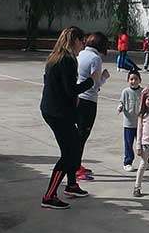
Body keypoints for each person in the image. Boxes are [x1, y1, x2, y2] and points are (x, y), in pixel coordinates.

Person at [40, 26, 95, 209]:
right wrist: (92, 80)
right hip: (59, 113)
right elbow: (71, 90)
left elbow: (51, 82)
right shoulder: (68, 60)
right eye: (82, 42)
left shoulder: (55, 57)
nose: (83, 46)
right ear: (75, 41)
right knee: (68, 154)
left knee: (73, 148)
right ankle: (49, 196)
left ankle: (71, 184)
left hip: (52, 109)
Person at [75, 32, 111, 182]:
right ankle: (75, 168)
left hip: (77, 98)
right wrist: (104, 77)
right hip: (88, 101)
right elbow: (95, 84)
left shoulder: (80, 54)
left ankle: (76, 164)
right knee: (82, 135)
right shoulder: (95, 58)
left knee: (77, 134)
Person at [118, 70, 144, 171]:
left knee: (143, 143)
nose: (133, 81)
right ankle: (127, 162)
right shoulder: (125, 91)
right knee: (129, 143)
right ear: (128, 80)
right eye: (131, 79)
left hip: (140, 123)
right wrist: (120, 107)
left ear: (140, 80)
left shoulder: (143, 92)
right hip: (129, 123)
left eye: (136, 79)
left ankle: (146, 161)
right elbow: (122, 102)